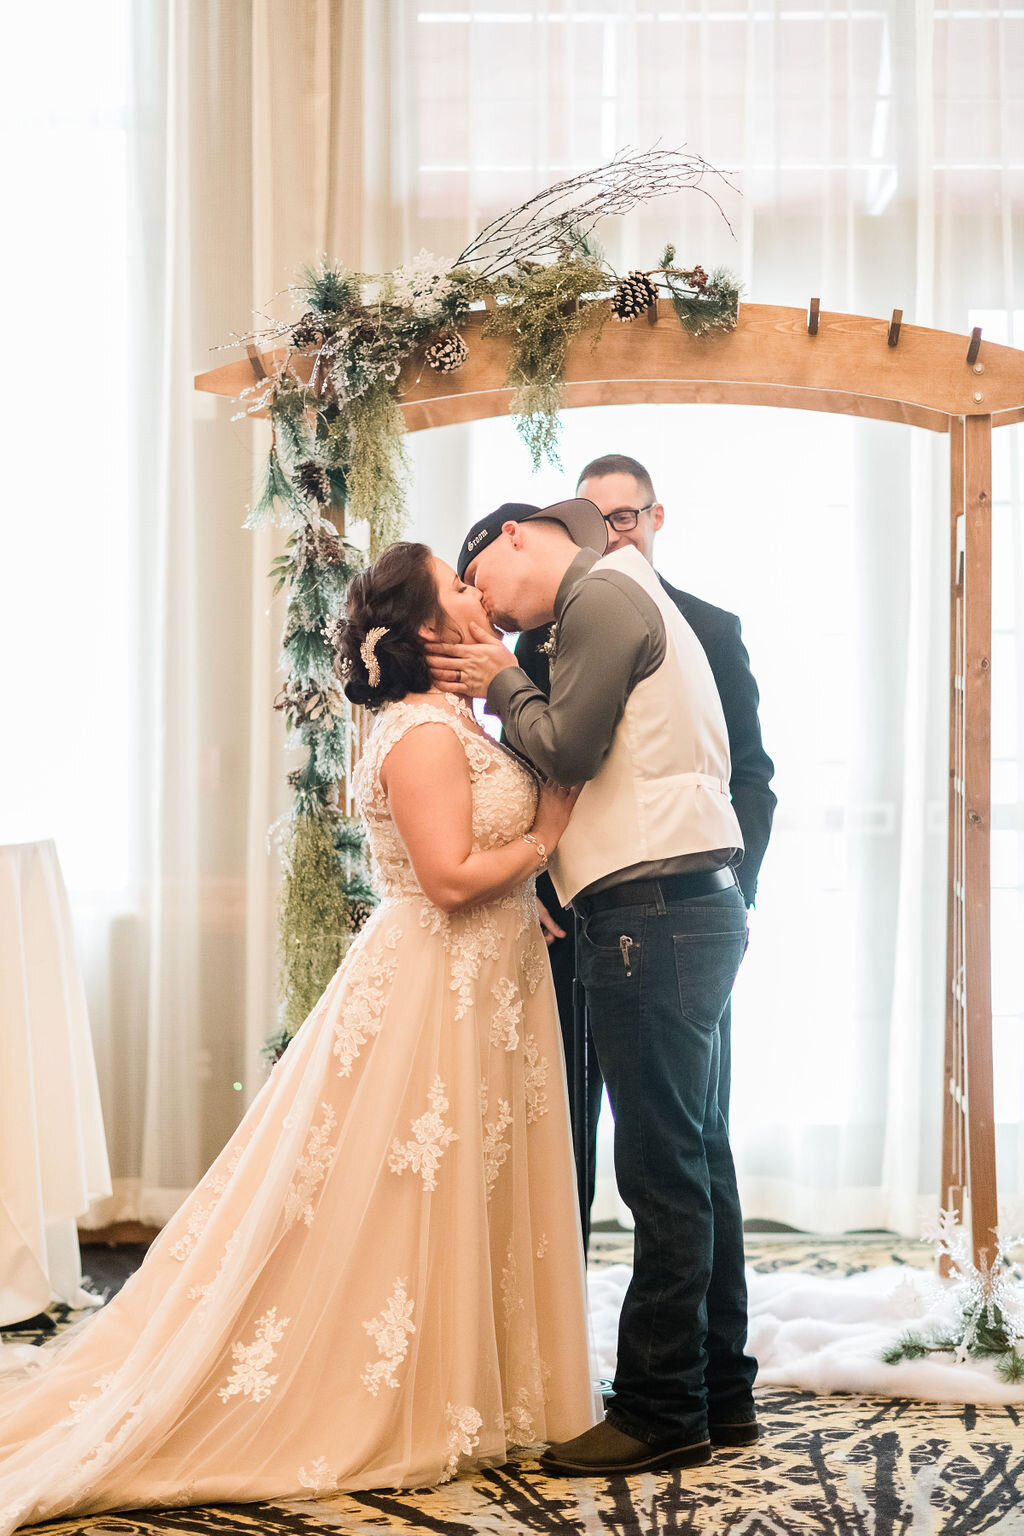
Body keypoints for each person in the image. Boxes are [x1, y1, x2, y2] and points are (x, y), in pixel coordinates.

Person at [0, 542, 596, 1535]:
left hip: (488, 976)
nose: (476, 589)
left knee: (465, 1181)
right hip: (434, 983)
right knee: (409, 1186)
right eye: (457, 586)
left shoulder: (453, 718)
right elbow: (447, 877)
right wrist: (546, 838)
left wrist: (521, 883)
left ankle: (483, 1386)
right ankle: (392, 1388)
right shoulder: (416, 733)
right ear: (414, 632)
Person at [428, 499, 757, 1476]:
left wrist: (497, 681)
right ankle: (717, 1393)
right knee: (695, 1159)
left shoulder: (606, 592)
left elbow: (568, 748)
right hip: (683, 906)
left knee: (660, 1170)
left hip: (651, 916)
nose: (486, 611)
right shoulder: (615, 594)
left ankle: (660, 1409)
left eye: (478, 581)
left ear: (516, 536)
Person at [514, 454, 776, 1243]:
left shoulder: (710, 628)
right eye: (589, 524)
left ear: (656, 519)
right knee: (567, 1129)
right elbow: (530, 779)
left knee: (692, 1140)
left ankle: (721, 1361)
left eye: (622, 518)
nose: (608, 536)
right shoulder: (537, 646)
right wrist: (530, 883)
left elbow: (751, 780)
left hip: (681, 913)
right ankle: (568, 1333)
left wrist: (731, 894)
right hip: (569, 915)